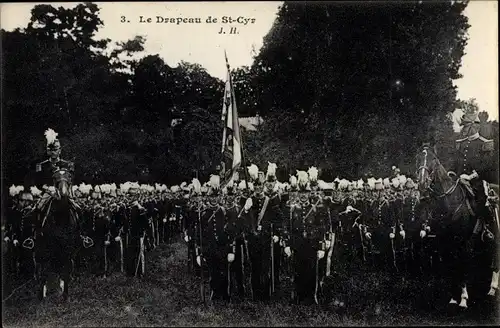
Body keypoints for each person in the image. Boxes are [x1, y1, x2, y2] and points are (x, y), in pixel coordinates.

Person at [23, 128, 75, 198]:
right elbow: (38, 183)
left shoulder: (68, 164)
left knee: (77, 207)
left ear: (60, 150)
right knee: (39, 207)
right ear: (47, 151)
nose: (52, 152)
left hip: (65, 192)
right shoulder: (41, 165)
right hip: (48, 194)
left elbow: (71, 180)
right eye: (50, 150)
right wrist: (48, 189)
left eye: (55, 150)